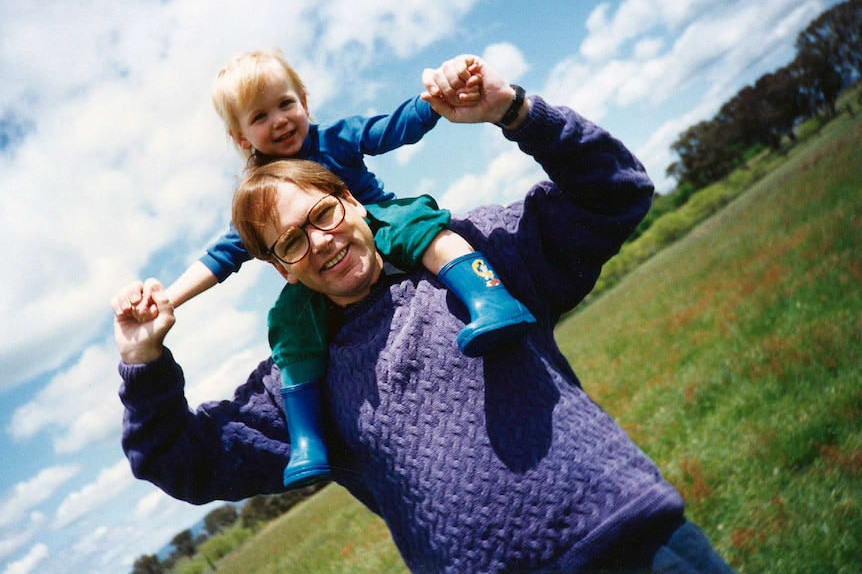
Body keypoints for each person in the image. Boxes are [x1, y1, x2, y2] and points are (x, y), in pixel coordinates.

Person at [114, 54, 735, 573]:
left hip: (637, 541)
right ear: (279, 268)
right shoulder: (298, 370)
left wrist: (512, 110)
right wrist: (144, 359)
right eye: (292, 241)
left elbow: (614, 193)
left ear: (352, 201)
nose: (321, 242)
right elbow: (182, 460)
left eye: (325, 215)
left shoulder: (476, 247)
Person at [113, 48, 535, 490]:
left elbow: (391, 129)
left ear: (305, 102)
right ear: (241, 140)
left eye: (285, 103)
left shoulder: (336, 138)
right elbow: (222, 257)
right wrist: (168, 300)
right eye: (259, 116)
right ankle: (307, 440)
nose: (279, 120)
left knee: (421, 223)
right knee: (287, 320)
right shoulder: (260, 199)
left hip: (378, 224)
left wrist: (435, 99)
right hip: (320, 275)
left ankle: (489, 301)